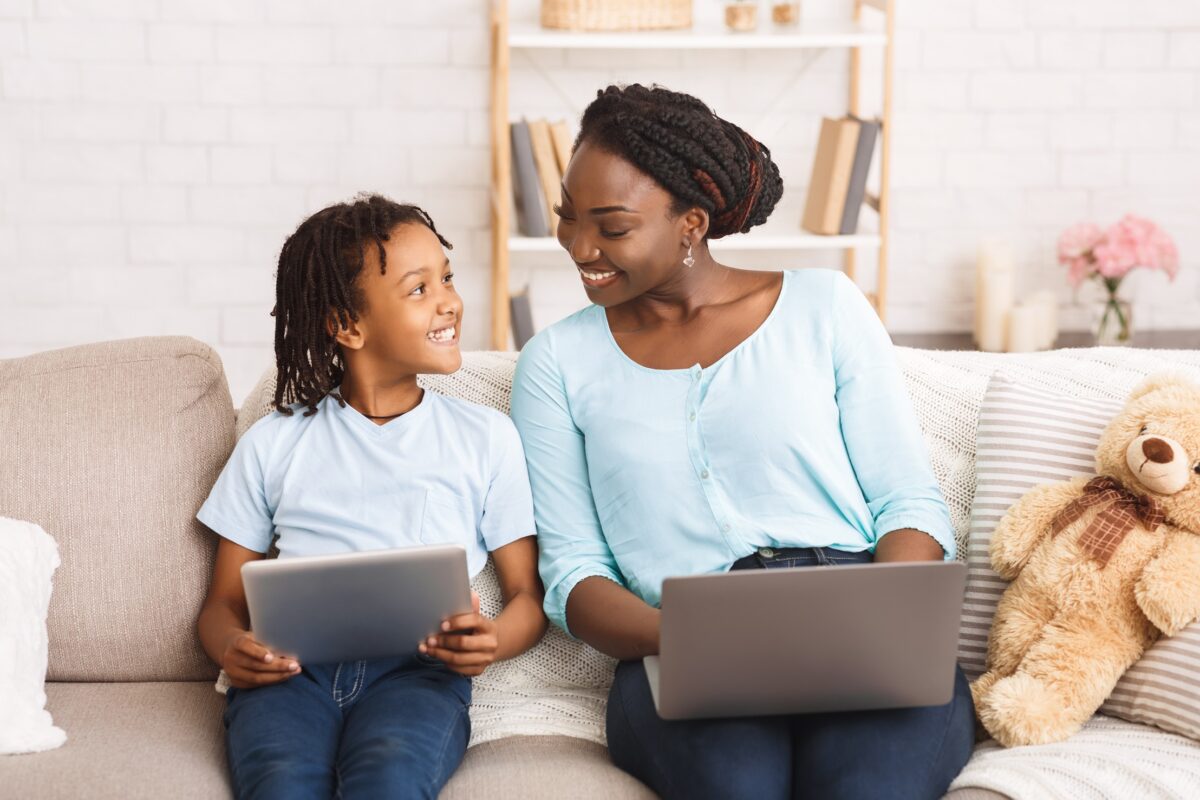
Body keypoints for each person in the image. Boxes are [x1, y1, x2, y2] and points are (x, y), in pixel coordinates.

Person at [510, 85, 974, 800]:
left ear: (690, 224)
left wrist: (885, 622)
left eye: (612, 226)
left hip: (851, 615)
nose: (578, 246)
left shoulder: (826, 306)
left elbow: (909, 504)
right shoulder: (555, 363)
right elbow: (573, 577)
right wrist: (692, 638)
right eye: (567, 216)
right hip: (678, 640)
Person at [195, 194, 547, 800]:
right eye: (419, 289)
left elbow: (527, 598)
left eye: (447, 278)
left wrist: (492, 640)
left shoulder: (486, 437)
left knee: (390, 779)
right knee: (279, 784)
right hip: (289, 676)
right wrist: (233, 648)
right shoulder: (273, 442)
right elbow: (221, 605)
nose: (449, 302)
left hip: (420, 676)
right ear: (346, 325)